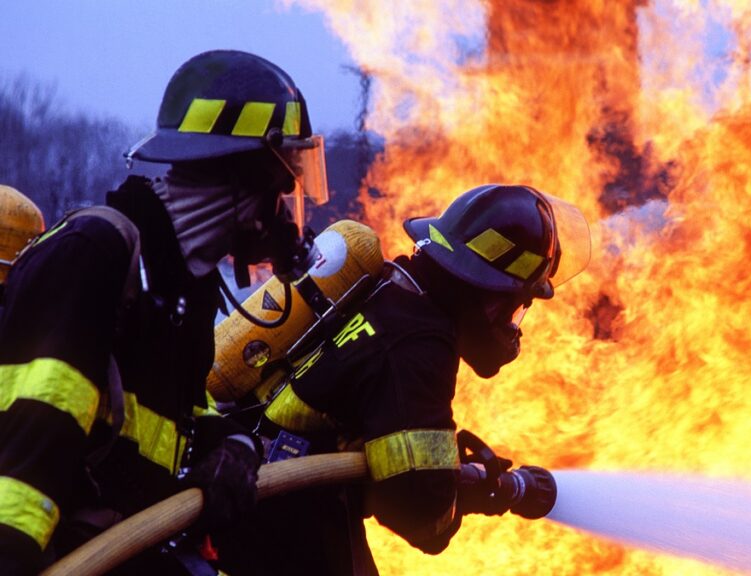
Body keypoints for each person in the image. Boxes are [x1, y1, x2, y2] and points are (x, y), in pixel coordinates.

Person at [0, 49, 328, 574]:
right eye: (283, 182)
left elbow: (178, 421)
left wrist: (237, 446)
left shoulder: (177, 287)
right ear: (241, 175)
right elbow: (32, 434)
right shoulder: (96, 252)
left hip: (131, 545)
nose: (288, 210)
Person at [214, 184, 591, 575]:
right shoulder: (418, 346)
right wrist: (483, 490)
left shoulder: (390, 292)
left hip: (257, 493)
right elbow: (422, 515)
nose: (512, 326)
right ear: (491, 292)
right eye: (518, 305)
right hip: (274, 526)